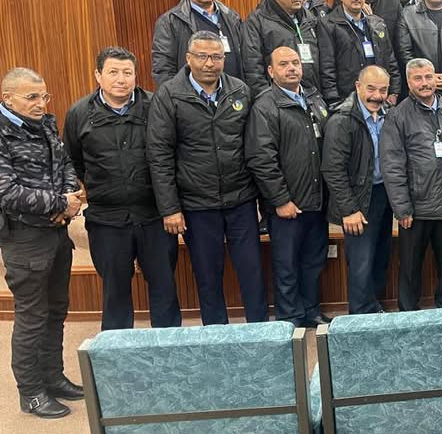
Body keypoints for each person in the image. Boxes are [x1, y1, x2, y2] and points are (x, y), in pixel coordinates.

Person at [147, 32, 267, 325]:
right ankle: (216, 336)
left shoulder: (239, 90)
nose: (209, 63)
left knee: (253, 272)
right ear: (188, 58)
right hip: (197, 204)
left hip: (240, 199)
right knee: (208, 277)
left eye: (216, 57)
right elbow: (159, 155)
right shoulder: (169, 95)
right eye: (202, 56)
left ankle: (262, 333)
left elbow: (255, 147)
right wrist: (170, 208)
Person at [64, 47, 181, 331]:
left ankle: (170, 349)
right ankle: (115, 351)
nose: (121, 79)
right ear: (98, 75)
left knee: (165, 287)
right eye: (113, 72)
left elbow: (173, 153)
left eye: (127, 72)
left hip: (154, 215)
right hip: (107, 219)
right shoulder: (79, 113)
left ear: (135, 75)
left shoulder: (156, 106)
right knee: (115, 292)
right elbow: (73, 160)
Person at [0, 67, 83, 418]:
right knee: (32, 316)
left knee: (56, 310)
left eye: (43, 96)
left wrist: (69, 198)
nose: (40, 103)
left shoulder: (45, 124)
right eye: (31, 97)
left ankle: (53, 377)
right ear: (8, 98)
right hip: (25, 239)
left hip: (56, 232)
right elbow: (7, 192)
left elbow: (65, 165)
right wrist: (60, 203)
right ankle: (31, 392)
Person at [246, 47, 331, 328]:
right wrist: (281, 199)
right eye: (283, 64)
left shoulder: (313, 98)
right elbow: (261, 159)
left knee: (313, 261)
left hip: (316, 199)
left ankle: (311, 311)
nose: (292, 68)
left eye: (295, 62)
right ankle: (290, 317)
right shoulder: (265, 106)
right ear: (271, 71)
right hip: (287, 204)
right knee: (287, 266)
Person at [380, 58, 442, 310]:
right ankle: (408, 312)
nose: (424, 83)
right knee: (410, 266)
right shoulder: (397, 116)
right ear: (408, 82)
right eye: (418, 78)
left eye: (429, 77)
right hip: (415, 209)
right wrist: (402, 208)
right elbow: (392, 165)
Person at [322, 65, 393, 315]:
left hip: (383, 195)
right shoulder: (342, 120)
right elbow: (333, 169)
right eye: (371, 89)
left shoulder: (388, 115)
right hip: (357, 201)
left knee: (380, 257)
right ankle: (360, 318)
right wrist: (349, 209)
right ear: (358, 86)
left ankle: (373, 309)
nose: (377, 96)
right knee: (361, 262)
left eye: (383, 90)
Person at [151, 0, 246, 87]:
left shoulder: (232, 16)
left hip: (233, 91)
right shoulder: (170, 22)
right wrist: (176, 95)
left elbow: (246, 58)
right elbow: (163, 69)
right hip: (192, 95)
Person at [243, 0, 330, 97]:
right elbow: (252, 67)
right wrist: (267, 98)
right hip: (276, 99)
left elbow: (325, 60)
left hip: (312, 96)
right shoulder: (257, 21)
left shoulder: (310, 19)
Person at [318, 0, 400, 106]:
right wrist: (333, 99)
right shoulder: (328, 25)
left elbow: (390, 58)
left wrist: (394, 91)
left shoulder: (378, 23)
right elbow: (327, 66)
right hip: (347, 98)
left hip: (379, 96)